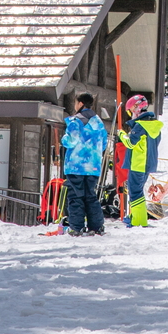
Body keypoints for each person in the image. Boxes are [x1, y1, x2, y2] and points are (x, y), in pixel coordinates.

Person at [61, 94, 108, 236]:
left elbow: (71, 141)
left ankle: (76, 227)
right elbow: (104, 143)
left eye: (76, 103)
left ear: (80, 103)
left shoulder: (76, 121)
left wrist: (63, 138)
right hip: (93, 165)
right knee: (90, 196)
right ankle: (97, 226)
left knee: (76, 196)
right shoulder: (99, 122)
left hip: (76, 165)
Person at [118, 94, 163, 226]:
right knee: (137, 190)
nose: (130, 114)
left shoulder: (140, 126)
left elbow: (131, 143)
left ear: (137, 108)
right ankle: (136, 216)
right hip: (148, 163)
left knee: (135, 192)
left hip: (138, 163)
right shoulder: (154, 126)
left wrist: (122, 134)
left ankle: (138, 220)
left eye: (130, 110)